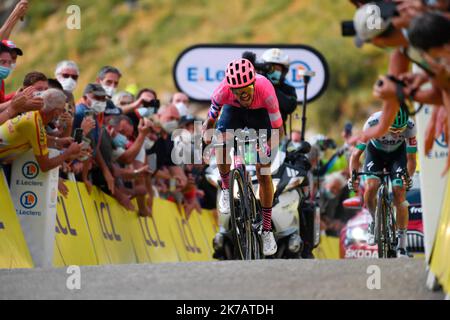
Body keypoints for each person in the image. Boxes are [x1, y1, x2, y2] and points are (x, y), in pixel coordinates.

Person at [202, 58, 284, 256]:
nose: (243, 95)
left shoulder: (266, 89)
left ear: (253, 82)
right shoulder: (223, 92)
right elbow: (210, 121)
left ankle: (266, 229)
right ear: (231, 89)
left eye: (246, 90)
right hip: (234, 112)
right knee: (220, 142)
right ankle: (226, 185)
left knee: (263, 170)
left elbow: (278, 131)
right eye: (238, 92)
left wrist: (267, 151)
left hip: (261, 114)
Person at [348, 109, 418, 257]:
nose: (397, 134)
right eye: (393, 130)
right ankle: (375, 221)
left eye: (401, 131)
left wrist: (408, 177)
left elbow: (411, 159)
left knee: (400, 192)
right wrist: (353, 177)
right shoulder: (372, 124)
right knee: (371, 187)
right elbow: (355, 156)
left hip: (398, 156)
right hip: (375, 154)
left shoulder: (411, 127)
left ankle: (402, 245)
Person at [0, 88, 82, 171]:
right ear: (56, 112)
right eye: (63, 110)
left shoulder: (35, 115)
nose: (64, 113)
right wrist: (68, 152)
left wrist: (57, 140)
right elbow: (45, 166)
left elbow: (36, 137)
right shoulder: (34, 125)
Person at [261, 48, 297, 131]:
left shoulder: (288, 88)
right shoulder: (255, 84)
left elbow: (290, 106)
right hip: (254, 131)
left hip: (276, 132)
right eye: (271, 69)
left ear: (284, 71)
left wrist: (269, 88)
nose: (275, 72)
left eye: (278, 69)